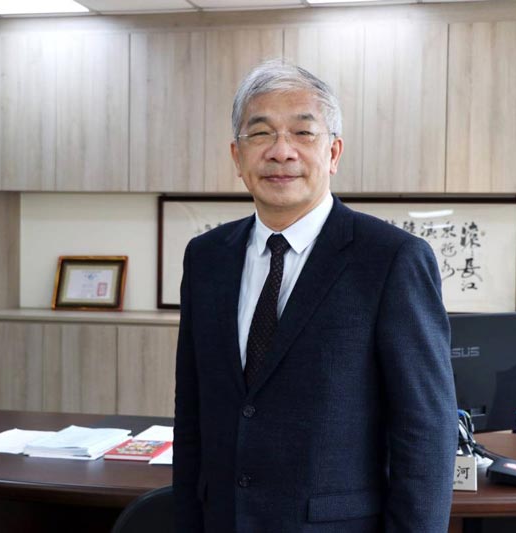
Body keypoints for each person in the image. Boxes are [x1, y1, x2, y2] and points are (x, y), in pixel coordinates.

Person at [173, 59, 458, 533]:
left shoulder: (391, 259)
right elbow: (192, 416)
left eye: (303, 133)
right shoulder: (206, 258)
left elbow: (426, 433)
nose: (281, 152)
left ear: (333, 152)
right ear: (237, 157)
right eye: (260, 134)